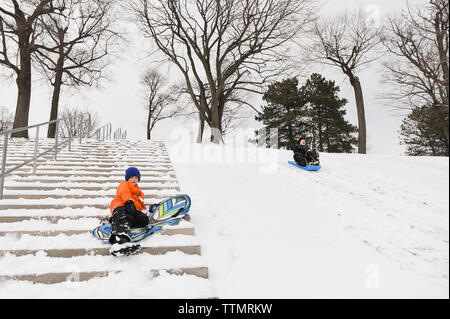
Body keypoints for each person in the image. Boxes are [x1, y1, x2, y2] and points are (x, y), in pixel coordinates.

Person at [109, 166, 150, 244]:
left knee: (144, 219)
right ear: (127, 178)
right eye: (131, 177)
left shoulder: (140, 193)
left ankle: (118, 221)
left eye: (136, 177)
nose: (134, 179)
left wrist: (144, 209)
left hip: (132, 210)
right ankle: (120, 236)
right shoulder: (124, 184)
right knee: (122, 215)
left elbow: (140, 204)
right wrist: (129, 202)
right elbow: (125, 192)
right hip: (121, 205)